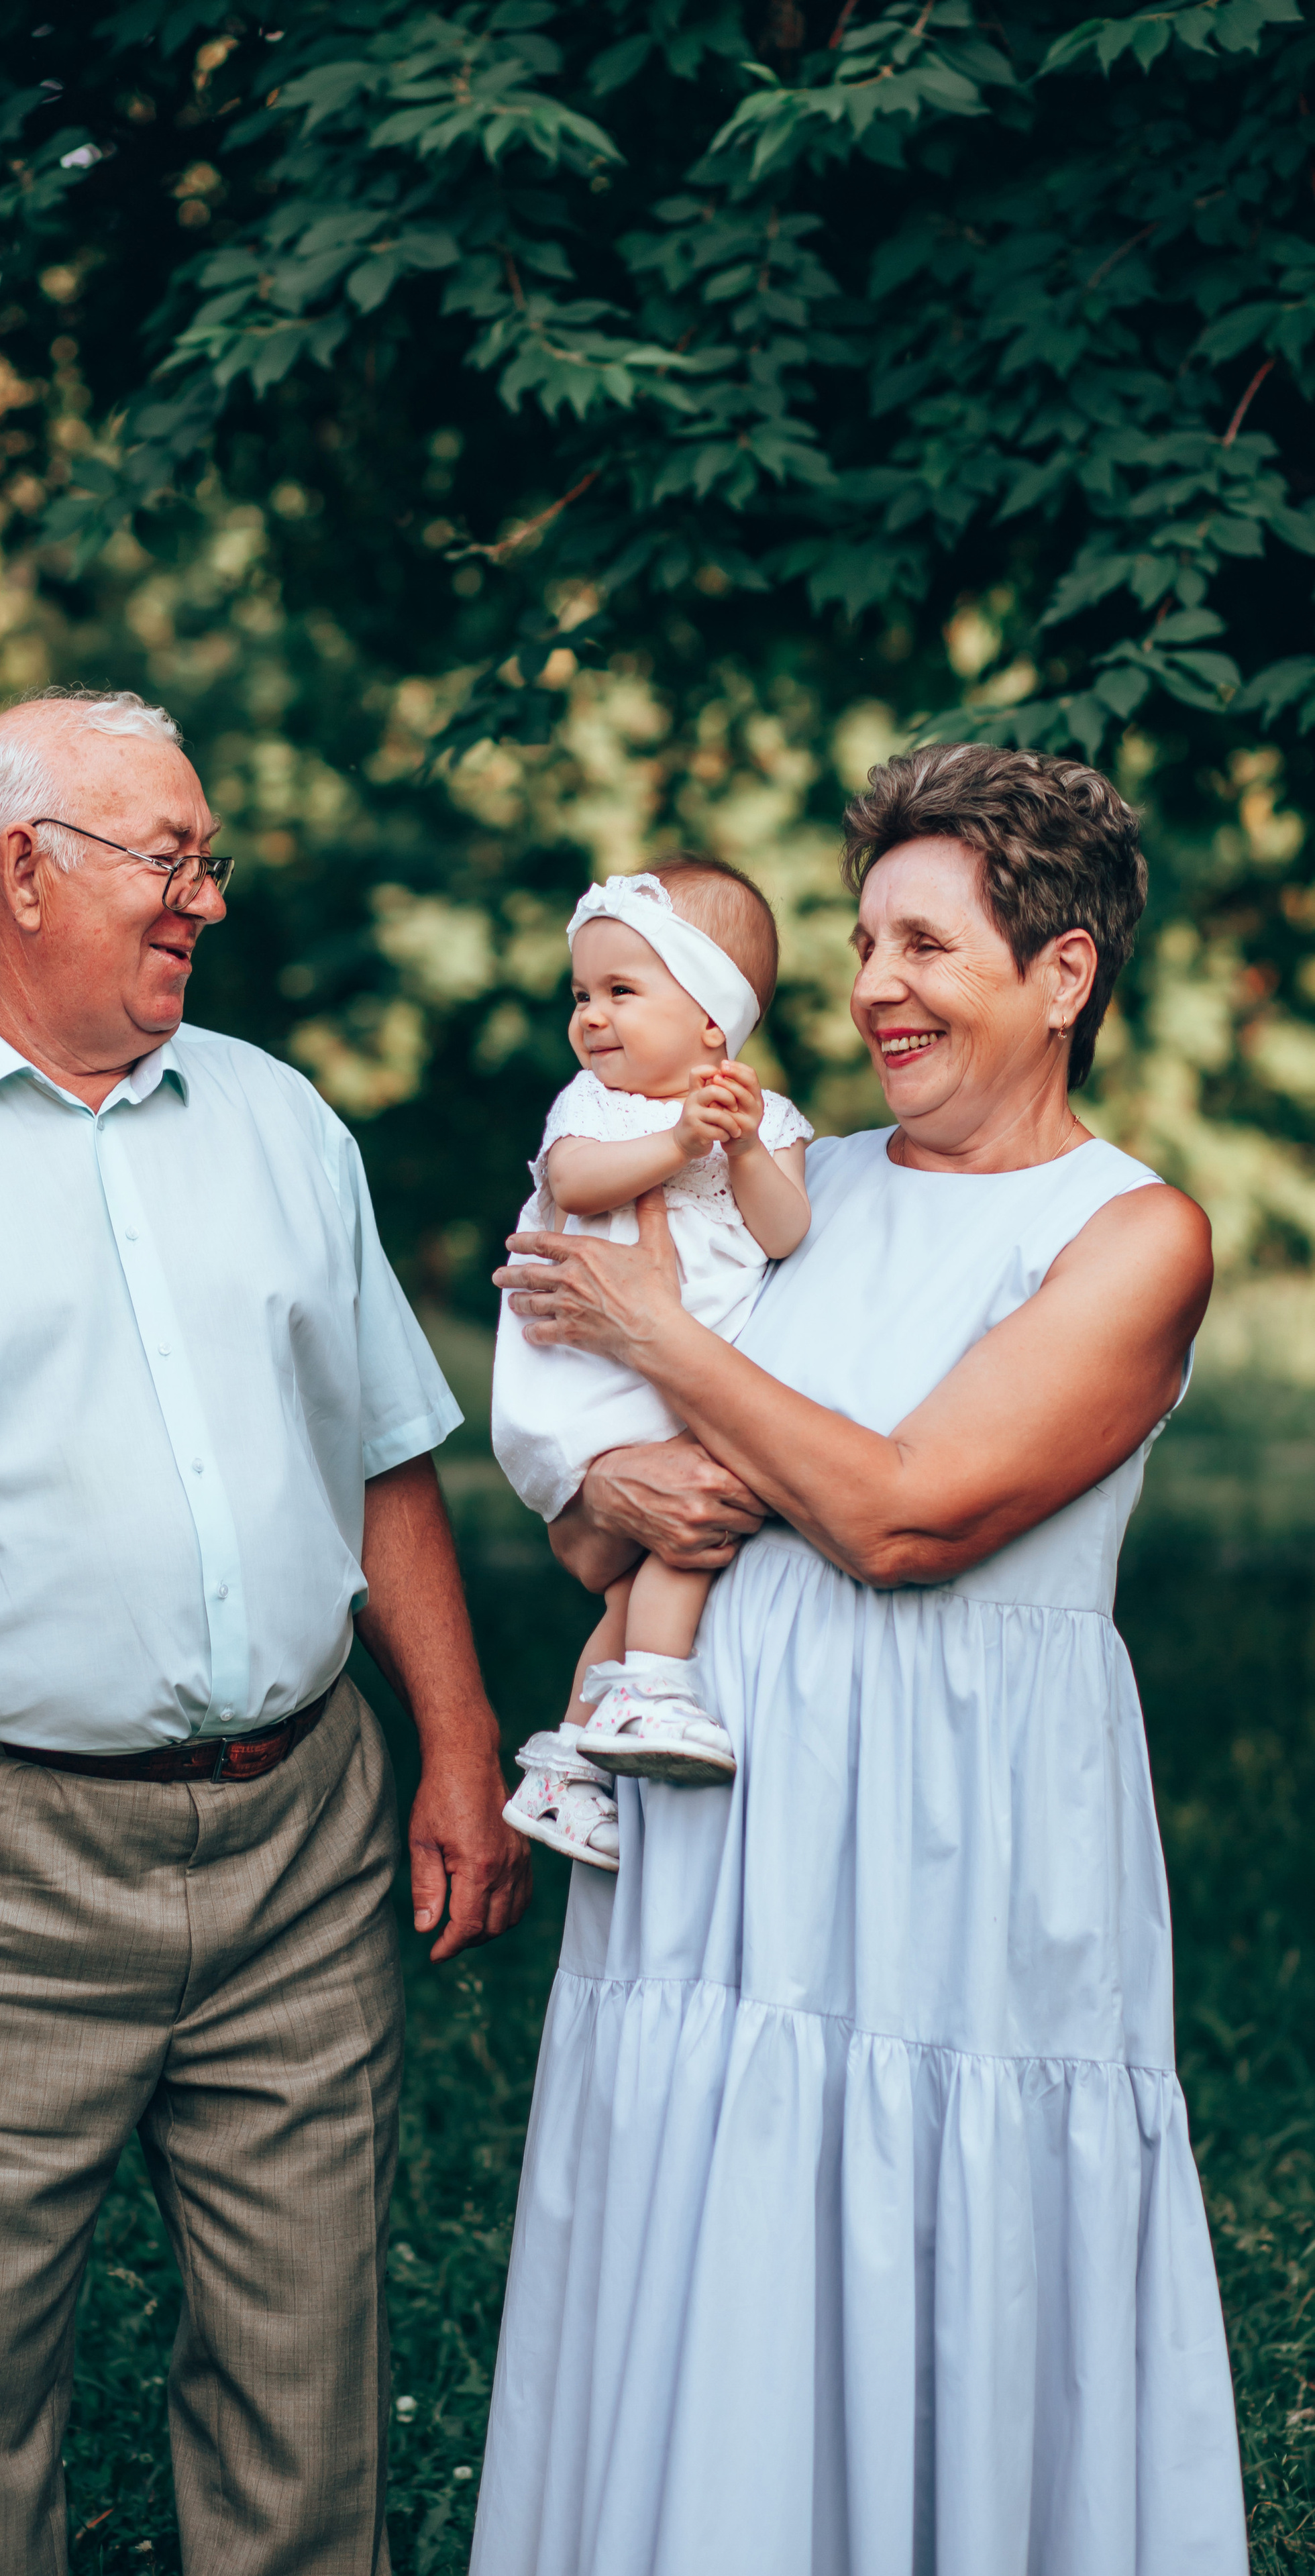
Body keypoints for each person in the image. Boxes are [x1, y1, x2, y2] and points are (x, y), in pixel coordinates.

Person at [0, 686, 531, 2576]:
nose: (204, 899)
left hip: (305, 1842)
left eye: (206, 859)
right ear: (21, 872)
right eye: (170, 857)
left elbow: (388, 1460)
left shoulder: (281, 1121)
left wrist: (461, 1751)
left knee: (307, 2394)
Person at [474, 744, 1247, 2575]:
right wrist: (614, 1463)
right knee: (704, 2212)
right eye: (863, 942)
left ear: (1063, 973)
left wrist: (664, 1342)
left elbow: (908, 1518)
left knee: (931, 2229)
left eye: (926, 944)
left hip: (956, 1843)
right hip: (716, 1827)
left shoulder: (1128, 1236)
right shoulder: (788, 1177)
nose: (874, 987)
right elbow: (598, 1527)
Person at [491, 860, 810, 1869]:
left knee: (642, 1574)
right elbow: (576, 1183)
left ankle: (566, 1768)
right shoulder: (599, 1108)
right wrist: (679, 1140)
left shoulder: (773, 1121)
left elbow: (785, 1230)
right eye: (581, 995)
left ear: (713, 1019)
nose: (591, 1017)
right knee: (691, 1516)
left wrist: (747, 1149)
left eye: (622, 991)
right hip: (594, 1381)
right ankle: (658, 1688)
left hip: (681, 1385)